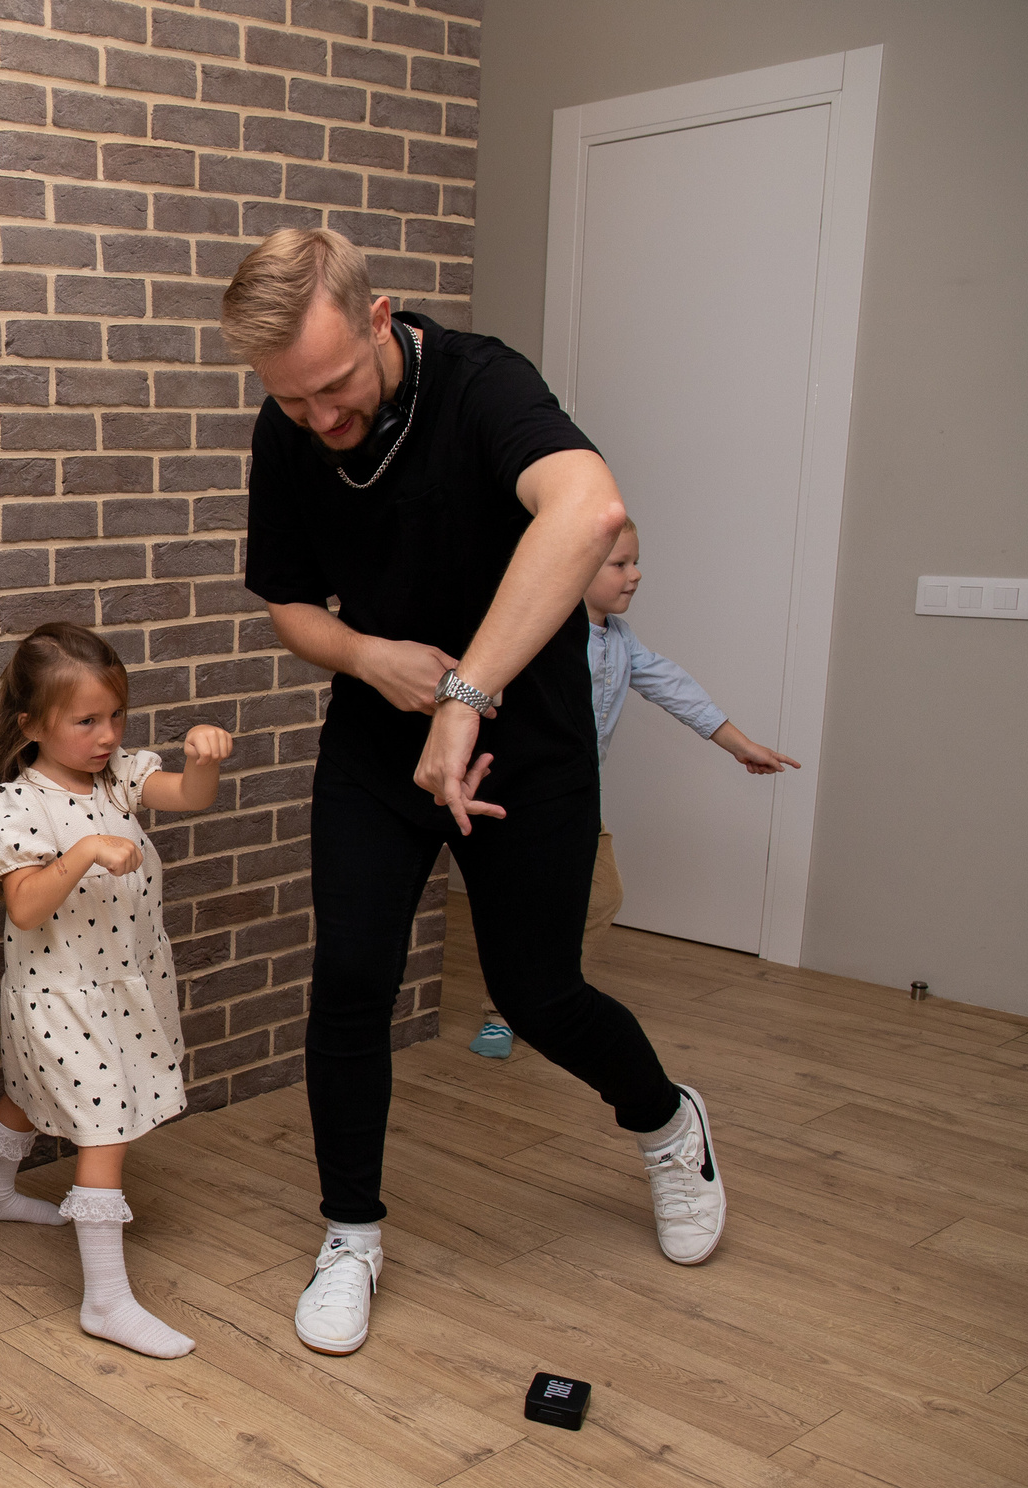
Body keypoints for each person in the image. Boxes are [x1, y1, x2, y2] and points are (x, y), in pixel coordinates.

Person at [221, 227, 727, 1360]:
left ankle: (664, 1122)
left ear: (378, 314)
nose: (321, 421)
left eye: (335, 387)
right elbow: (291, 605)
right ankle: (350, 1234)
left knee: (538, 992)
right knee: (350, 978)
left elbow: (586, 511)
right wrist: (365, 658)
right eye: (291, 401)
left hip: (525, 740)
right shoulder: (289, 424)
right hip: (376, 742)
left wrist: (464, 691)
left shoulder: (482, 383)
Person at [0, 624, 232, 1358]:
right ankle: (107, 1301)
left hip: (124, 979)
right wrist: (81, 851)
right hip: (60, 991)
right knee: (104, 1122)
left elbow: (186, 795)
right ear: (31, 724)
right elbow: (23, 907)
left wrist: (201, 760)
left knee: (27, 1088)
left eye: (115, 715)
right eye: (86, 721)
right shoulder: (14, 804)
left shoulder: (117, 776)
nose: (107, 734)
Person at [470, 520, 800, 1057]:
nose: (635, 575)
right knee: (518, 907)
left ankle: (541, 997)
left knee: (601, 896)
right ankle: (504, 1011)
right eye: (619, 565)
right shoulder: (539, 635)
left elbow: (675, 688)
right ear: (574, 572)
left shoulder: (622, 642)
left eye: (635, 562)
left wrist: (739, 744)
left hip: (578, 801)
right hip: (522, 798)